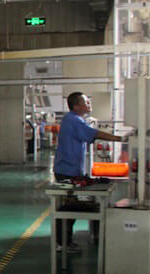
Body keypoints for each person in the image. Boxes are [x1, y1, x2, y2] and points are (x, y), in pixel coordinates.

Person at [52, 92, 127, 251]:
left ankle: (65, 241)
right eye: (86, 102)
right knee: (67, 207)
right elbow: (95, 134)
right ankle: (62, 243)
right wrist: (120, 139)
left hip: (71, 170)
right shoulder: (74, 120)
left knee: (69, 206)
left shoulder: (73, 119)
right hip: (67, 171)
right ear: (76, 106)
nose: (89, 104)